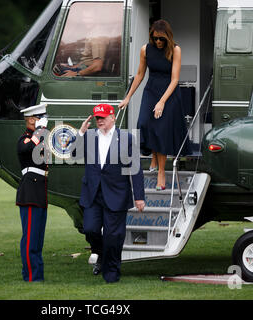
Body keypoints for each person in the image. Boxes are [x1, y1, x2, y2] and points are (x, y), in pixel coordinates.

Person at [118, 20, 191, 190]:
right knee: (143, 123)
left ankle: (161, 173)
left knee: (161, 130)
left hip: (169, 93)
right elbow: (139, 75)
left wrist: (162, 102)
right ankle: (153, 156)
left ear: (167, 38)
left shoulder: (175, 50)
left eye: (161, 39)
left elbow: (175, 79)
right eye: (155, 38)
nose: (158, 42)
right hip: (151, 90)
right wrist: (127, 97)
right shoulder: (145, 49)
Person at [77, 103, 145, 283]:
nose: (100, 121)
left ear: (112, 117)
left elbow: (136, 169)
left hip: (117, 193)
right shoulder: (89, 136)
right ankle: (98, 252)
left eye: (103, 118)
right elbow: (73, 153)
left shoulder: (127, 138)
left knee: (113, 236)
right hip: (93, 193)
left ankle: (112, 271)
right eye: (97, 118)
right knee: (90, 229)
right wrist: (81, 133)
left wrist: (139, 196)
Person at [16, 103, 49, 282]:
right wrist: (40, 130)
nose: (43, 120)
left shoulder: (40, 137)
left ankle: (36, 275)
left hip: (40, 192)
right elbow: (27, 149)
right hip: (30, 192)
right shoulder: (24, 139)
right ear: (30, 120)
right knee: (30, 238)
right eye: (39, 117)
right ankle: (31, 277)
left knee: (37, 238)